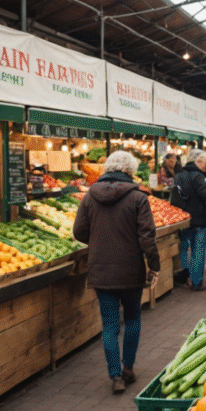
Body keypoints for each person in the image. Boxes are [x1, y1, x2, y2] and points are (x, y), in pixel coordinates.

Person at [73, 151, 159, 394]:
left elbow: (79, 232)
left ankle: (115, 376)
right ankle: (128, 367)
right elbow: (147, 237)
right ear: (130, 171)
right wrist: (154, 265)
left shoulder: (90, 196)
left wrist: (99, 237)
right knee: (132, 317)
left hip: (100, 269)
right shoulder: (137, 198)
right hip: (131, 269)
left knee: (109, 324)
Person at [171, 150, 206, 291]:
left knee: (183, 248)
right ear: (198, 162)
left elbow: (175, 197)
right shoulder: (198, 176)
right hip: (198, 218)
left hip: (182, 218)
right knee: (198, 250)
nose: (205, 166)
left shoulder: (179, 175)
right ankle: (196, 281)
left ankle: (183, 275)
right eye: (205, 163)